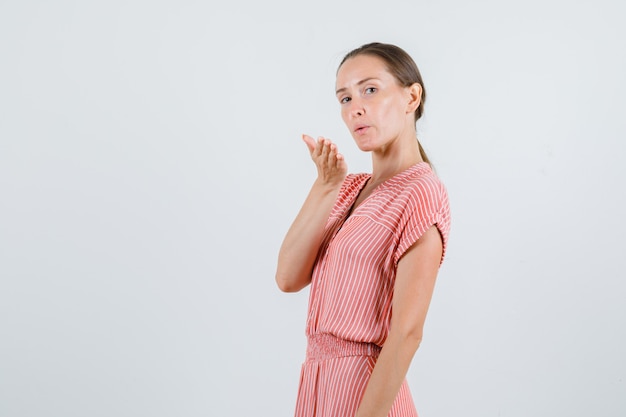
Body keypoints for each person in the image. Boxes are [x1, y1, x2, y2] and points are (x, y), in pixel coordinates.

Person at [275, 42, 451, 417]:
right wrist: (325, 185)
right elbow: (288, 277)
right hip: (318, 388)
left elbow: (406, 333)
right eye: (344, 98)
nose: (355, 107)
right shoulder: (348, 188)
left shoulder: (421, 191)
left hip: (366, 396)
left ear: (411, 97)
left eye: (370, 90)